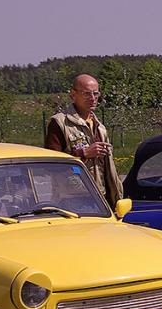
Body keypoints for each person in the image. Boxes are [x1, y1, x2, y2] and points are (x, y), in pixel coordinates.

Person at [45, 74, 123, 208]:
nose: (92, 98)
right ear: (73, 94)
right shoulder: (59, 123)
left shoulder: (100, 127)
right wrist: (84, 153)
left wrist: (115, 195)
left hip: (102, 198)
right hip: (73, 200)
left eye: (96, 93)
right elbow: (50, 164)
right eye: (87, 94)